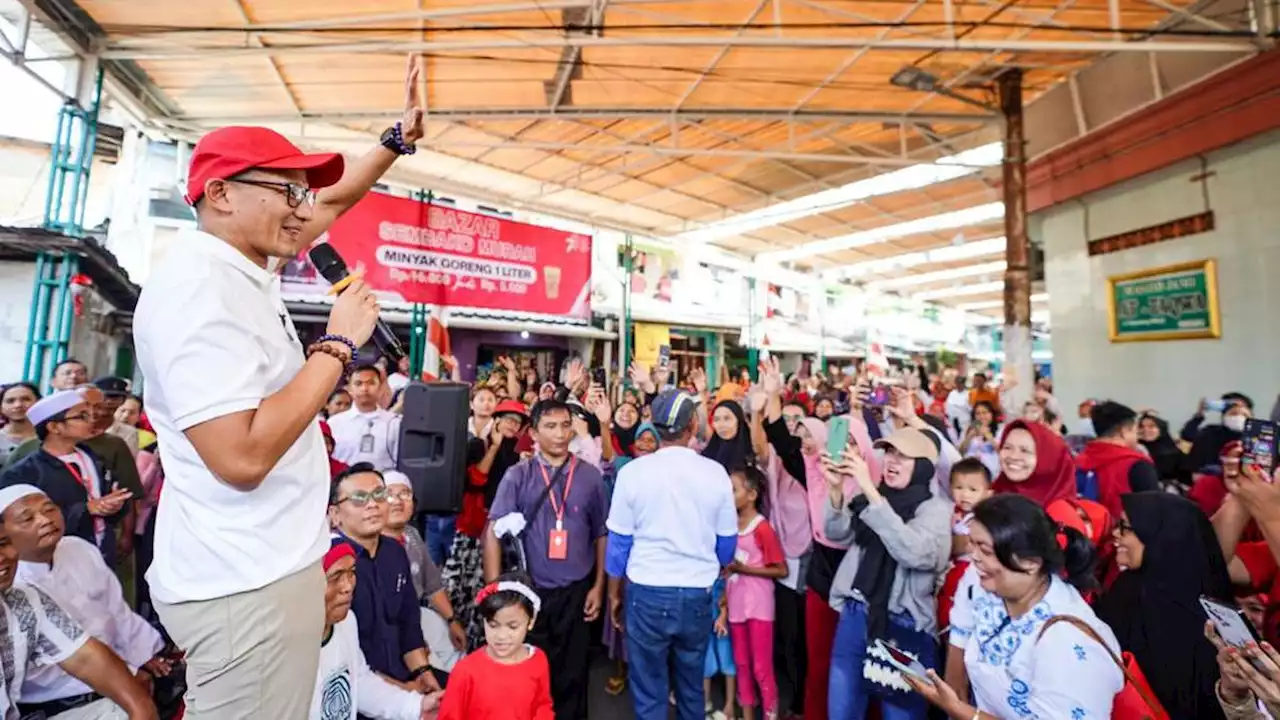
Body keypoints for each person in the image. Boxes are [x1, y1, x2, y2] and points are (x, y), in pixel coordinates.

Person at [132, 57, 423, 716]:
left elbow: (338, 196)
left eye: (303, 195)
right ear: (221, 194)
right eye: (288, 191)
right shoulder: (199, 292)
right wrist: (338, 345)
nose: (304, 209)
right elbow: (240, 456)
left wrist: (396, 140)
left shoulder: (240, 268)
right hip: (243, 587)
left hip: (264, 569)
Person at [925, 495, 1123, 719]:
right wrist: (954, 701)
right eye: (972, 544)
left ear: (1030, 562)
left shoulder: (1068, 640)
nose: (974, 557)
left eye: (986, 551)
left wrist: (961, 711)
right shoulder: (982, 582)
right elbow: (959, 653)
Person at [606, 388, 738, 720]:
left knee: (649, 690)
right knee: (691, 687)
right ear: (693, 424)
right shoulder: (715, 473)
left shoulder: (633, 473)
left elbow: (618, 546)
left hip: (646, 592)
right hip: (696, 594)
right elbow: (727, 546)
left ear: (654, 425)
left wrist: (614, 595)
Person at [482, 399, 608, 720]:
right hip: (531, 593)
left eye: (566, 425)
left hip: (576, 590)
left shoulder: (591, 477)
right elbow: (493, 531)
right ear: (534, 433)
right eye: (550, 426)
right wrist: (495, 590)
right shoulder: (518, 475)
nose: (560, 433)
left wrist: (598, 586)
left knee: (574, 674)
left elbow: (601, 535)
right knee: (528, 673)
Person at [3, 484, 169, 716]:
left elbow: (115, 611)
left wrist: (142, 656)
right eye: (27, 518)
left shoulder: (77, 549)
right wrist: (126, 676)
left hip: (109, 669)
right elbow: (48, 670)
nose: (44, 520)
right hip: (60, 696)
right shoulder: (15, 583)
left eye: (49, 509)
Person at [823, 428, 951, 720]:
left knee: (900, 714)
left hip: (902, 625)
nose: (891, 460)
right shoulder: (874, 495)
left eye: (903, 456)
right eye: (889, 452)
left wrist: (869, 490)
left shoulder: (936, 510)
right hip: (856, 616)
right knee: (842, 710)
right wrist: (835, 489)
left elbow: (916, 554)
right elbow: (836, 533)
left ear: (923, 466)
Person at [1095, 492, 1231, 719]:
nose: (1116, 533)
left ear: (1161, 537)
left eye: (1126, 527)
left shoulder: (1207, 619)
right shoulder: (1128, 590)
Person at [329, 464, 439, 693]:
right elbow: (341, 658)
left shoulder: (395, 552)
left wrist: (422, 672)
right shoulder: (330, 564)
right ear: (335, 514)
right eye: (359, 498)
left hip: (405, 677)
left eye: (379, 494)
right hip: (355, 688)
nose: (372, 504)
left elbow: (409, 623)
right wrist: (404, 691)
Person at [311, 542, 440, 720]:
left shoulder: (347, 622)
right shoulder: (288, 644)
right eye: (336, 577)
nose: (348, 586)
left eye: (352, 573)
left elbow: (360, 682)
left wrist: (416, 707)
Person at [0, 388, 132, 561]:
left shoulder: (94, 458)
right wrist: (86, 509)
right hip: (55, 558)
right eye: (82, 416)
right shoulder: (25, 472)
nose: (92, 420)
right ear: (55, 427)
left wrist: (115, 506)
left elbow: (111, 503)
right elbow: (19, 523)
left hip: (100, 551)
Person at [445, 399, 529, 651]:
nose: (512, 425)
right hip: (474, 528)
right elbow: (477, 478)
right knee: (466, 589)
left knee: (495, 588)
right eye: (508, 419)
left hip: (504, 535)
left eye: (517, 422)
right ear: (497, 420)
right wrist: (494, 447)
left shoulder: (520, 452)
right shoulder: (477, 445)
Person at [382, 471, 465, 675]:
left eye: (405, 494)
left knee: (457, 656)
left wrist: (452, 620)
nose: (397, 501)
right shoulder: (372, 544)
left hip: (418, 615)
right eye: (389, 494)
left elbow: (433, 586)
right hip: (389, 627)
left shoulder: (412, 535)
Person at [437, 576, 554, 720]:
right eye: (493, 625)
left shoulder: (538, 660)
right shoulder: (465, 671)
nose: (501, 636)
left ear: (531, 622)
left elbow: (542, 706)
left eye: (512, 626)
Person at [725, 466, 787, 720]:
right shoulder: (729, 525)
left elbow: (780, 569)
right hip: (736, 604)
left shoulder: (762, 528)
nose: (727, 495)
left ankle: (770, 713)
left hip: (759, 606)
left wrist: (745, 569)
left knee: (761, 667)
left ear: (751, 495)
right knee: (741, 663)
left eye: (733, 490)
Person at [1074, 401, 1160, 518]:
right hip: (1122, 533)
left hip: (1081, 532)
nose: (1137, 436)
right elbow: (1154, 513)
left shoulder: (1076, 462)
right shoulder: (1137, 465)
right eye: (1135, 430)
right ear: (1124, 431)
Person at [937, 458, 994, 633]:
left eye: (973, 489)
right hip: (950, 571)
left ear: (987, 493)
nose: (965, 495)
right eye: (958, 488)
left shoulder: (985, 518)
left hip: (970, 571)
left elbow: (970, 545)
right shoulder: (951, 513)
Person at [329, 364, 402, 472]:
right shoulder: (334, 423)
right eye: (358, 384)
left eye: (371, 383)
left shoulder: (395, 422)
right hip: (344, 483)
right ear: (349, 389)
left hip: (383, 484)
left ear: (381, 387)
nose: (365, 388)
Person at [990, 420, 1078, 507]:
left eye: (1025, 451)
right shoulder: (990, 498)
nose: (1013, 456)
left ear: (1047, 460)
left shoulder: (1062, 515)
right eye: (1007, 447)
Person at [0, 382, 39, 467]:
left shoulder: (50, 439)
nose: (18, 405)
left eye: (26, 399)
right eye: (10, 401)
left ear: (38, 403)